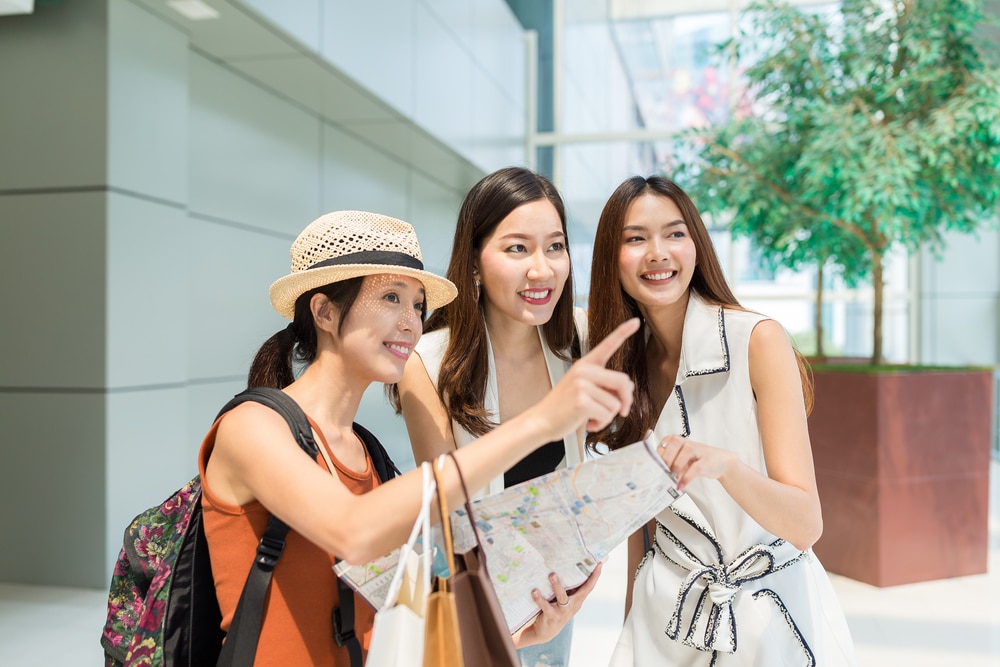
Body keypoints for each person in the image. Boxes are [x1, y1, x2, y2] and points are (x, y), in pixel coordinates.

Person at [197, 209, 640, 666]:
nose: (411, 322)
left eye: (417, 304)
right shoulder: (252, 425)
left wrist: (522, 632)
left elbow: (402, 625)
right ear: (324, 311)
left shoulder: (368, 457)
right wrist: (541, 423)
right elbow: (353, 531)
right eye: (391, 297)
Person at [587, 176, 858, 666]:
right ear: (612, 256)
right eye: (635, 238)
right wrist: (629, 632)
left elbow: (805, 524)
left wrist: (727, 467)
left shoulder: (758, 339)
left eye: (674, 233)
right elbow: (643, 529)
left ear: (697, 244)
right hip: (663, 615)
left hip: (769, 619)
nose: (657, 253)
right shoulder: (621, 364)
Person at [391, 167, 588, 667]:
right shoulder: (428, 363)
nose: (542, 270)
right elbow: (444, 515)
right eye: (517, 248)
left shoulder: (576, 345)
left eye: (555, 246)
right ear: (475, 262)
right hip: (471, 613)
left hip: (556, 606)